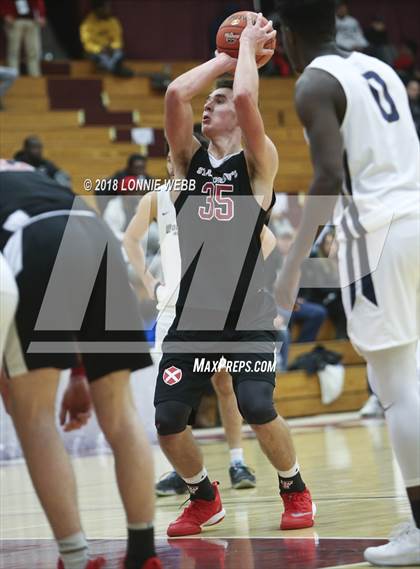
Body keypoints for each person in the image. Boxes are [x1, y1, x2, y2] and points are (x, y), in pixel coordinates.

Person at [156, 13, 315, 538]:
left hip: (247, 312)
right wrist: (226, 57)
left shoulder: (257, 162)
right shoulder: (186, 163)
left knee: (255, 404)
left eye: (217, 100)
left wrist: (245, 53)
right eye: (211, 100)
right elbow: (177, 93)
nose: (209, 103)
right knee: (168, 418)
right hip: (193, 316)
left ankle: (293, 486)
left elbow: (247, 101)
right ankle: (204, 497)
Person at [276, 0, 420, 564]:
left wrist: (293, 267)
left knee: (395, 386)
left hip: (377, 235)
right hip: (416, 215)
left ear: (286, 35)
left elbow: (330, 175)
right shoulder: (380, 67)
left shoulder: (313, 83)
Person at [0, 159, 161, 569]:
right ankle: (143, 554)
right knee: (122, 414)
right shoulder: (25, 172)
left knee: (33, 417)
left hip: (34, 240)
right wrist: (77, 370)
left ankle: (75, 559)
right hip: (94, 234)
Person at [124, 149, 258, 494]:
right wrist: (149, 281)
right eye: (169, 157)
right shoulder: (156, 199)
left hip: (216, 306)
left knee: (225, 384)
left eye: (179, 156)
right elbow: (130, 239)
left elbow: (264, 239)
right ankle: (183, 470)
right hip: (172, 308)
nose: (174, 161)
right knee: (175, 394)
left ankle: (237, 460)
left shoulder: (216, 195)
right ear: (168, 162)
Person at [80, 0, 133, 78]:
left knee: (120, 54)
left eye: (108, 7)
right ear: (98, 9)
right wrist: (99, 49)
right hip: (97, 53)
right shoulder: (87, 24)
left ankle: (109, 68)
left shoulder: (113, 22)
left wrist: (112, 48)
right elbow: (87, 44)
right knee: (94, 57)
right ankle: (115, 70)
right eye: (105, 7)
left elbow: (118, 41)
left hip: (112, 52)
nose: (108, 10)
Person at [0, 0, 45, 77]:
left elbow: (38, 3)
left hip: (32, 21)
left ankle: (34, 75)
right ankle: (13, 75)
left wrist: (41, 15)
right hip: (15, 21)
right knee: (13, 50)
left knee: (33, 50)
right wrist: (5, 14)